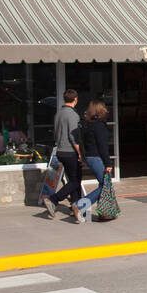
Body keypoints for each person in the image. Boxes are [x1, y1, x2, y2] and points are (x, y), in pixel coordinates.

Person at [43, 89, 83, 221]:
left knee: (73, 180)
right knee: (75, 181)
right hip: (70, 151)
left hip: (60, 150)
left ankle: (75, 207)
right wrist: (80, 153)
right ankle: (53, 199)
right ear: (75, 99)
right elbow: (74, 137)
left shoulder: (58, 114)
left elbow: (55, 134)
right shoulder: (73, 115)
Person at [74, 99, 112, 223]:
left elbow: (83, 142)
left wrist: (84, 157)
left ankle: (104, 214)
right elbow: (102, 146)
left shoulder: (88, 125)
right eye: (104, 108)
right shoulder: (99, 126)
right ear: (100, 110)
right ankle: (80, 205)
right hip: (97, 158)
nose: (106, 110)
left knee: (103, 184)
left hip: (91, 157)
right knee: (105, 185)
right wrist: (108, 163)